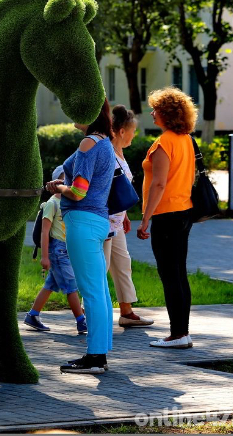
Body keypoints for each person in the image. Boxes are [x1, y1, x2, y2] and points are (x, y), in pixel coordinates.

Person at [46, 98, 115, 374]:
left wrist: (59, 188)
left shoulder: (88, 144)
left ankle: (95, 357)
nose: (72, 111)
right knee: (100, 291)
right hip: (97, 221)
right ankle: (101, 352)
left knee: (92, 292)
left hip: (82, 221)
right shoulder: (106, 142)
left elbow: (78, 191)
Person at [137, 87, 197, 349]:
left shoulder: (164, 143)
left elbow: (158, 184)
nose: (152, 113)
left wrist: (145, 219)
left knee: (170, 275)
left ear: (166, 113)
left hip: (166, 214)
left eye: (156, 109)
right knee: (179, 273)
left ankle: (178, 335)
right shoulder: (185, 139)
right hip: (183, 211)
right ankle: (182, 332)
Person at [105, 105, 154, 328]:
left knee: (123, 264)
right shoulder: (106, 151)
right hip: (104, 222)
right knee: (101, 267)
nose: (134, 135)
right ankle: (87, 315)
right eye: (133, 131)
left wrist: (123, 214)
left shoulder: (119, 153)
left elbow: (119, 188)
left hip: (116, 221)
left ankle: (126, 312)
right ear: (122, 131)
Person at [24, 165, 87, 334]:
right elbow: (45, 232)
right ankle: (81, 321)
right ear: (55, 182)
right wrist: (45, 257)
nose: (68, 182)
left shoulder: (69, 201)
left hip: (67, 249)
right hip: (57, 251)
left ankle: (33, 315)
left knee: (50, 284)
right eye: (64, 179)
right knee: (71, 286)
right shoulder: (52, 203)